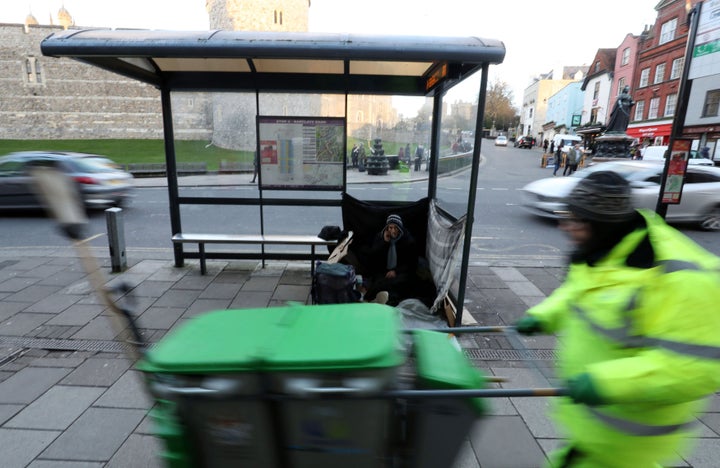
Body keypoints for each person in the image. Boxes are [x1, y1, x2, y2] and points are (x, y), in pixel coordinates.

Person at [514, 171, 720, 468]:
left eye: (574, 219)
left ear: (600, 223)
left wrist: (605, 383)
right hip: (597, 423)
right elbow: (580, 292)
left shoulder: (683, 278)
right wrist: (543, 315)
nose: (564, 226)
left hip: (630, 435)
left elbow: (694, 368)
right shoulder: (603, 251)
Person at [362, 214, 418, 306]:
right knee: (378, 283)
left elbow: (412, 263)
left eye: (396, 228)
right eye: (390, 227)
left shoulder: (407, 240)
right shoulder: (380, 237)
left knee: (396, 284)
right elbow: (373, 259)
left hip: (400, 272)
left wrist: (395, 271)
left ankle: (387, 300)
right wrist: (384, 242)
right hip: (384, 271)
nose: (393, 231)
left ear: (400, 229)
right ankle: (371, 299)